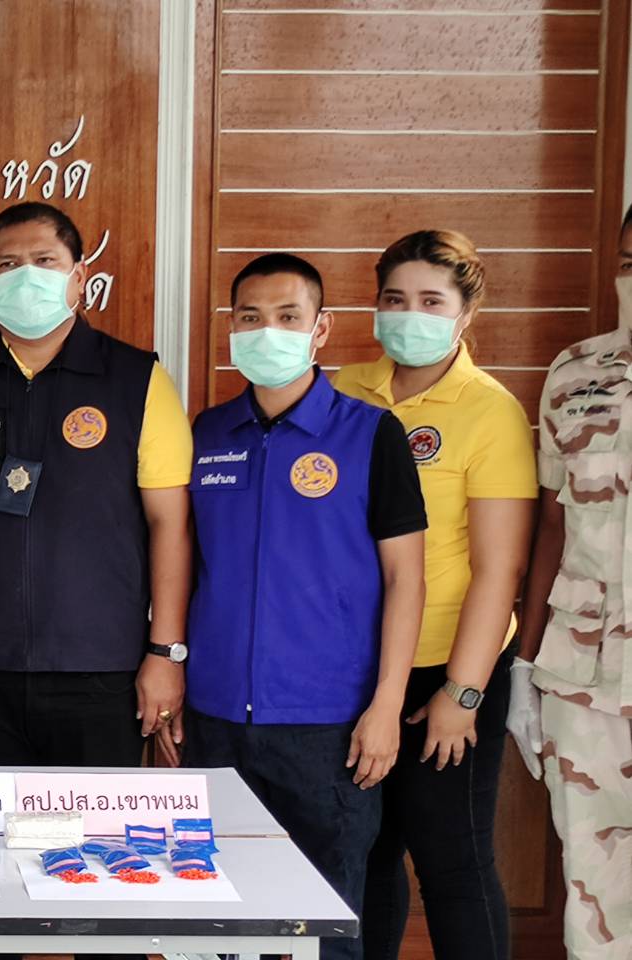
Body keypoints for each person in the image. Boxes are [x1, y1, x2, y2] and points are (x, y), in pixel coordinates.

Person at [0, 201, 194, 769]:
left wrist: (166, 652)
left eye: (44, 260)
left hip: (101, 668)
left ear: (79, 277)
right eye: (7, 264)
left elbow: (169, 523)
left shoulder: (137, 380)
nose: (25, 276)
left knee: (93, 827)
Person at [184, 253, 426, 960]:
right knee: (217, 923)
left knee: (327, 929)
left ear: (321, 329)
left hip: (329, 728)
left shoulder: (371, 434)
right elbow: (184, 565)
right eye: (251, 317)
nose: (269, 331)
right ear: (231, 328)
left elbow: (406, 580)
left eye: (289, 316)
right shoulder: (206, 433)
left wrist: (387, 706)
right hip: (216, 721)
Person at [335, 231, 534, 960]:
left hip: (448, 668)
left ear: (465, 314)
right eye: (394, 299)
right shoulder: (345, 388)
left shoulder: (489, 411)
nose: (408, 315)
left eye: (430, 301)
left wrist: (463, 692)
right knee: (367, 854)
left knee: (453, 861)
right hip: (356, 666)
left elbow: (499, 570)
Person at [512, 205, 632, 959]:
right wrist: (524, 666)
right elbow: (551, 525)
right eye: (630, 263)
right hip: (583, 677)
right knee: (593, 887)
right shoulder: (577, 372)